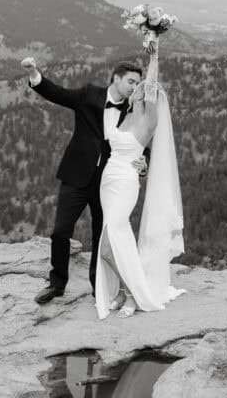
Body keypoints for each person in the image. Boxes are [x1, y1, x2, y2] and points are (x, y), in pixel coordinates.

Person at [21, 57, 149, 304]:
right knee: (60, 231)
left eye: (137, 83)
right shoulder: (89, 94)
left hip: (108, 182)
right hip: (76, 176)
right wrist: (35, 74)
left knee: (101, 234)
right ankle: (57, 285)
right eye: (131, 81)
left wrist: (144, 162)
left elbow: (140, 143)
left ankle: (97, 285)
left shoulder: (133, 109)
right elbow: (58, 94)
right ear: (116, 78)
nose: (135, 87)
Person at [95, 36, 185, 319]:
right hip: (107, 181)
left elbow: (152, 83)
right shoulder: (125, 114)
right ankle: (122, 291)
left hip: (125, 183)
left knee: (112, 242)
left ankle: (134, 293)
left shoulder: (148, 119)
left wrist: (155, 56)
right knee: (109, 243)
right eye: (134, 85)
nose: (138, 90)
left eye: (143, 88)